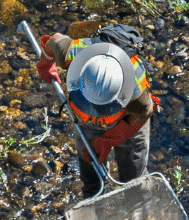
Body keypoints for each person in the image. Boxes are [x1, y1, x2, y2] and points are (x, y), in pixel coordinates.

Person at [35, 24, 156, 197]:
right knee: (91, 177)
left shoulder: (135, 90)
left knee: (134, 177)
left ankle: (137, 200)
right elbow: (54, 40)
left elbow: (142, 115)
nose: (96, 109)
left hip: (126, 121)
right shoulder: (73, 53)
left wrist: (109, 140)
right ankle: (95, 197)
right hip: (86, 123)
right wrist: (45, 64)